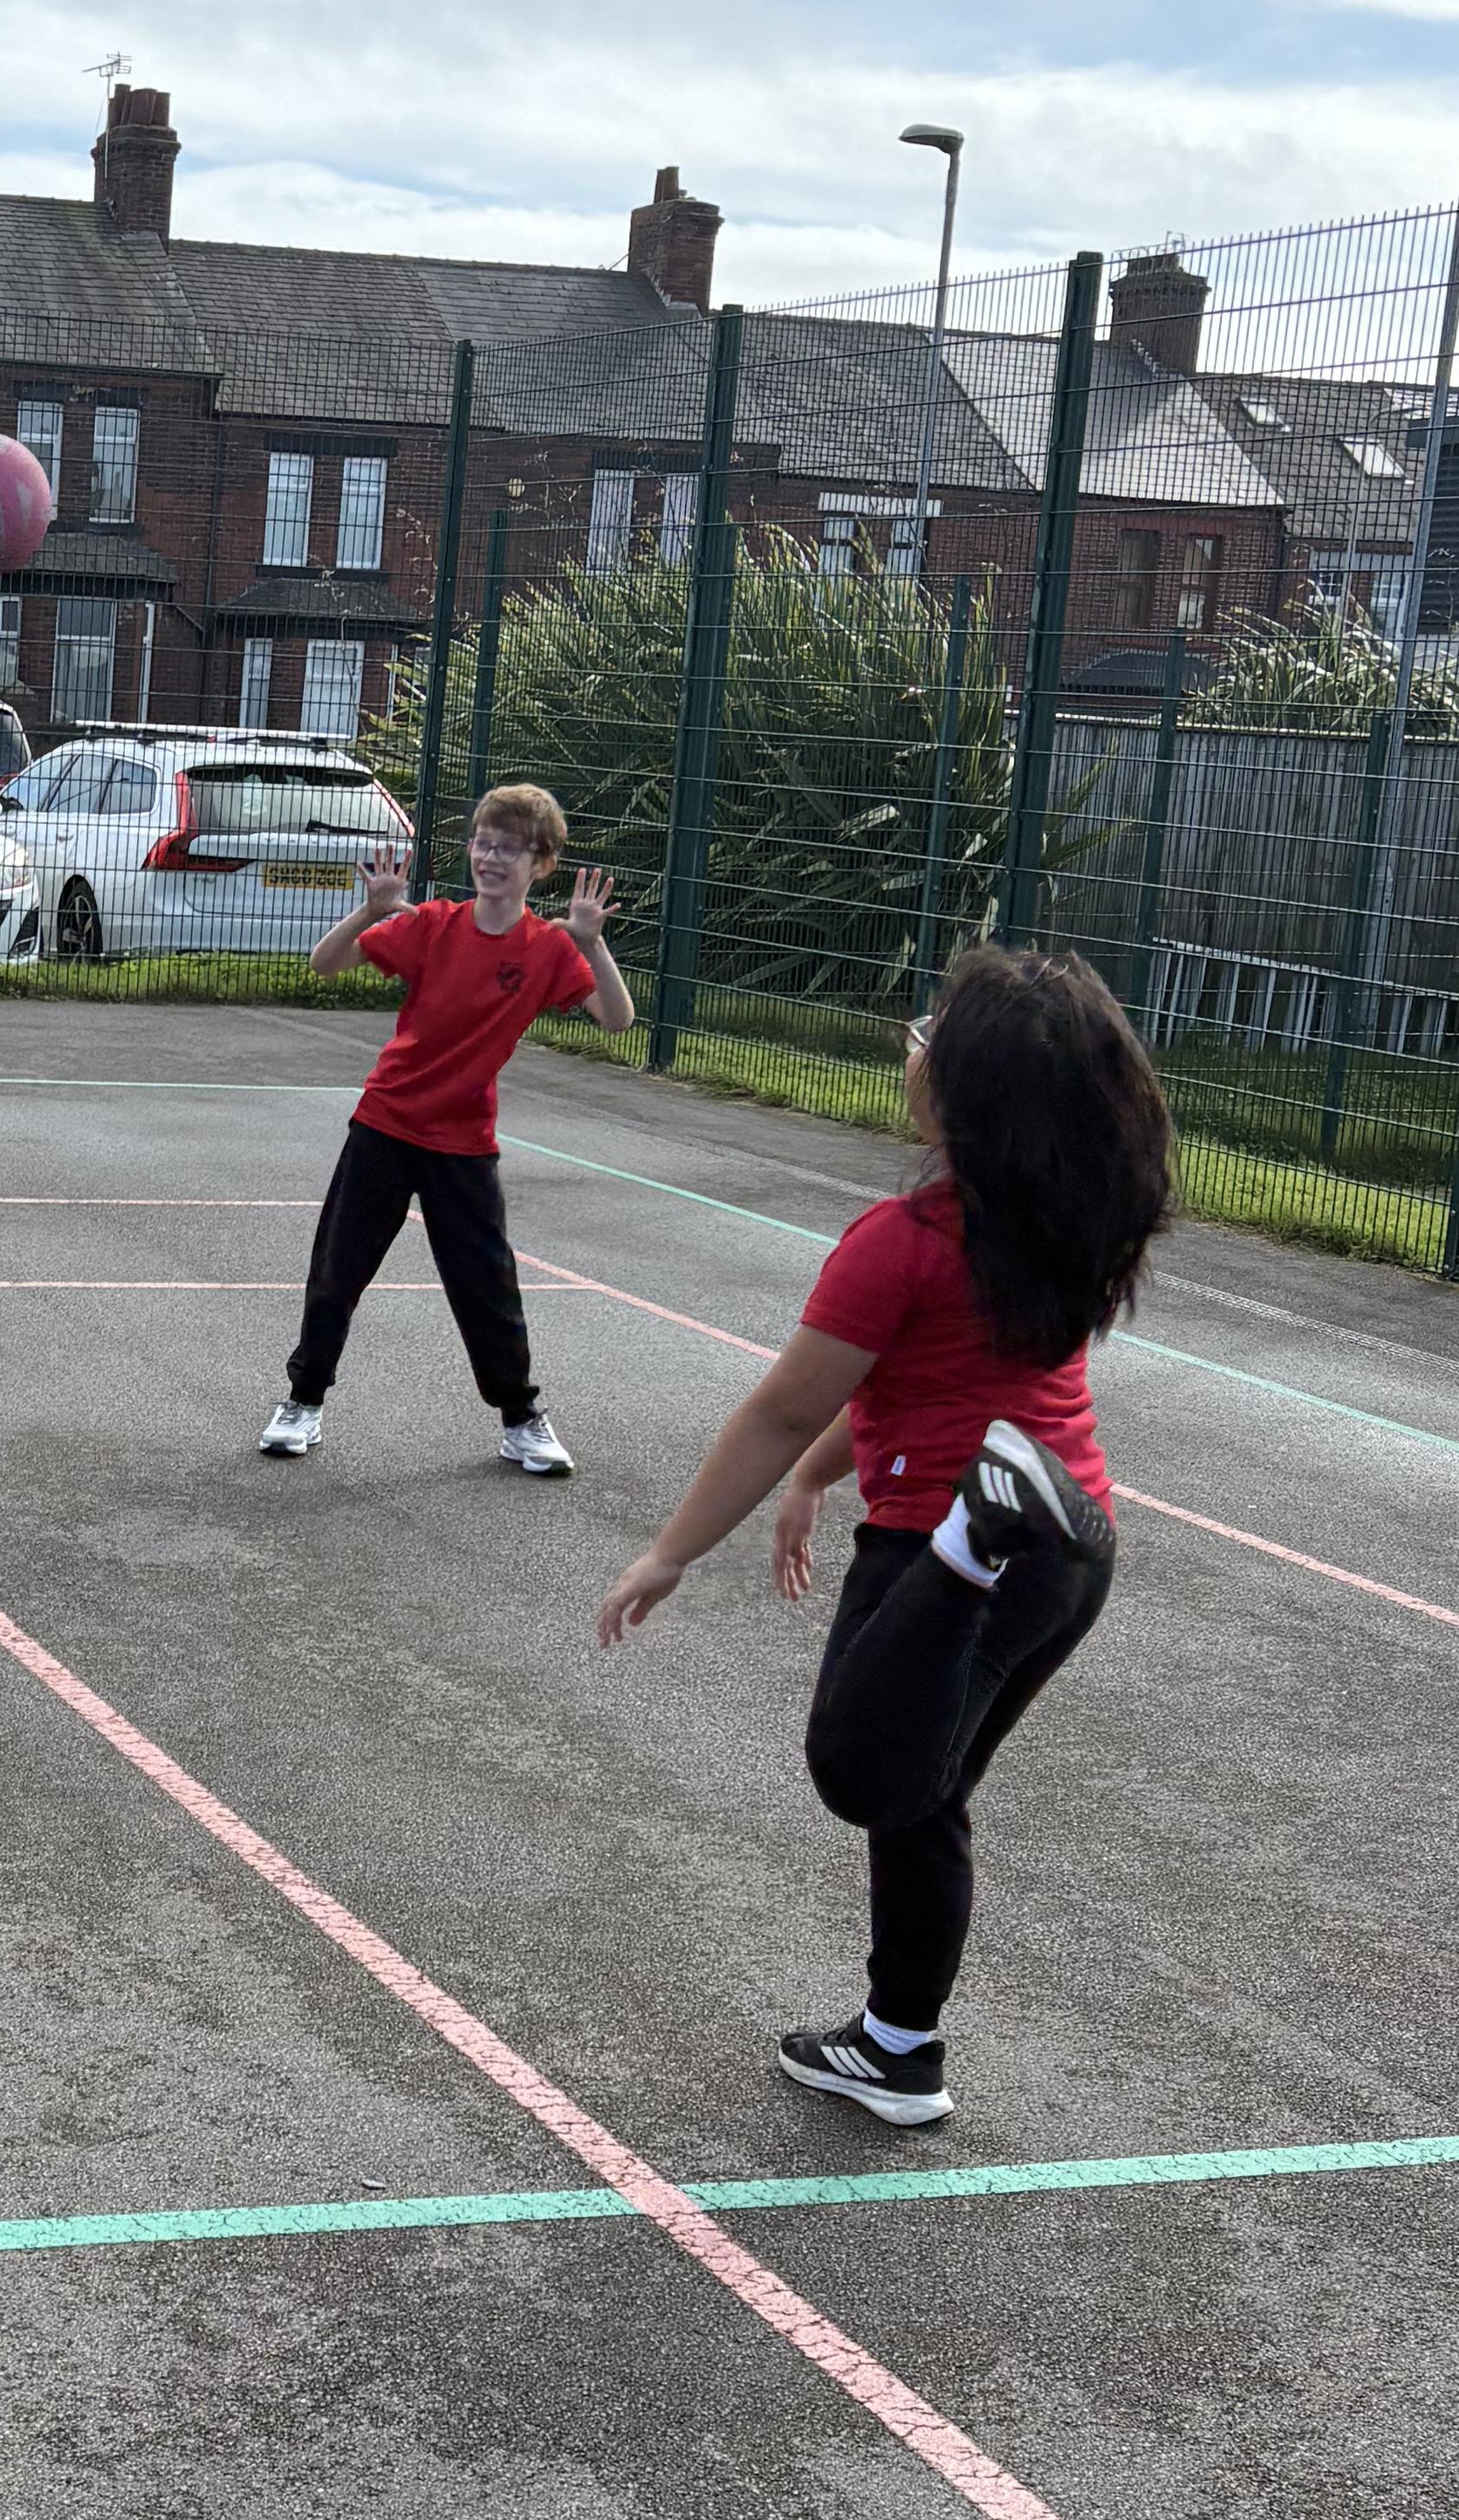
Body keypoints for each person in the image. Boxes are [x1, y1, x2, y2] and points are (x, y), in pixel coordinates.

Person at [593, 944, 1173, 2125]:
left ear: (957, 1093)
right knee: (924, 1794)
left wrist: (672, 1550)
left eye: (928, 1035)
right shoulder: (1059, 1217)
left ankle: (974, 1537)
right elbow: (919, 1389)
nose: (911, 1045)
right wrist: (819, 1478)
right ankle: (899, 2048)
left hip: (948, 1548)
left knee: (858, 1767)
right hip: (1074, 1554)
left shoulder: (902, 1239)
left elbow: (782, 1407)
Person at [258, 782, 634, 1473]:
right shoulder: (433, 924)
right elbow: (325, 963)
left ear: (541, 864)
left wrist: (592, 943)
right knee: (338, 1270)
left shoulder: (548, 948)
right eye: (483, 844)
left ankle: (521, 1419)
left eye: (510, 848)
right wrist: (370, 910)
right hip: (385, 1124)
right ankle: (302, 1402)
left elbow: (617, 1019)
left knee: (487, 1286)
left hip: (463, 1144)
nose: (491, 858)